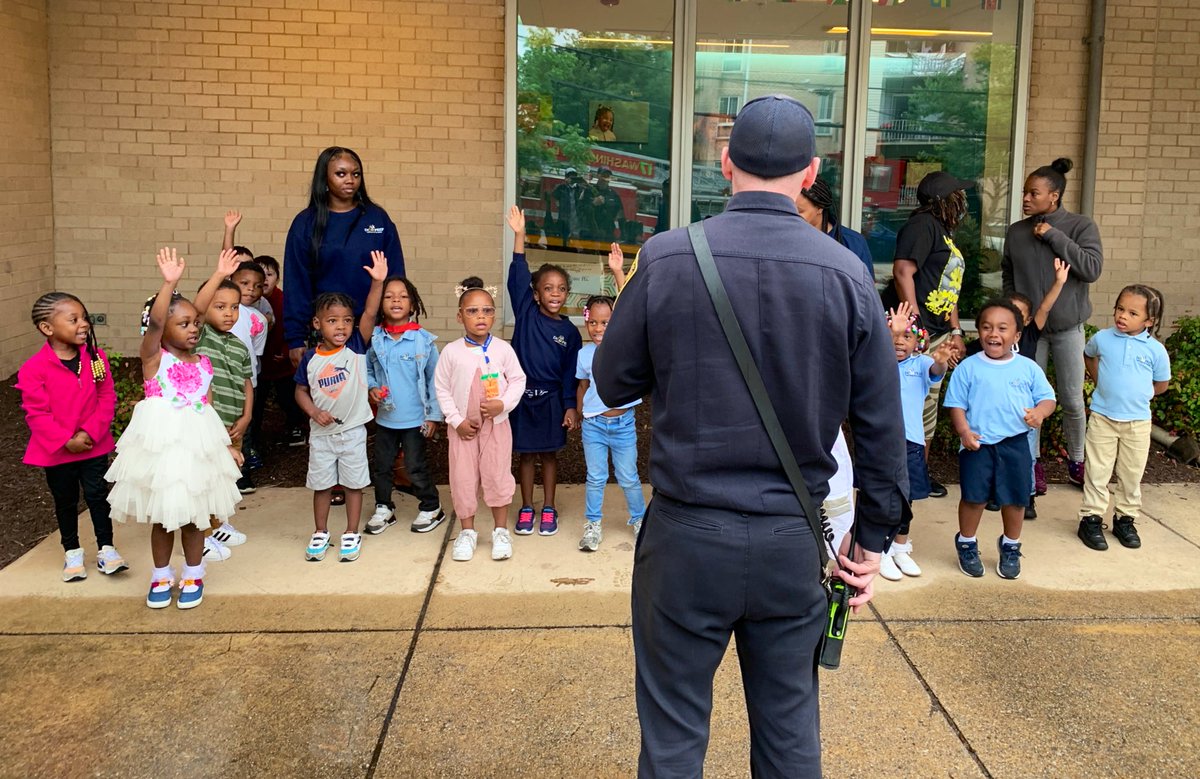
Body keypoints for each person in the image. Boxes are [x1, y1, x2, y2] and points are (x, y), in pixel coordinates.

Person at [594, 94, 905, 777]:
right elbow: (883, 426)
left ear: (725, 162)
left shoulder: (668, 257)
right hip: (791, 541)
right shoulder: (849, 274)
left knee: (673, 738)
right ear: (811, 171)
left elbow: (611, 382)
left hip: (685, 537)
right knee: (790, 732)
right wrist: (873, 538)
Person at [106, 248, 244, 610]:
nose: (194, 328)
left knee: (195, 519)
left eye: (195, 323)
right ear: (162, 328)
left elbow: (208, 408)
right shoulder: (155, 358)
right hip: (164, 453)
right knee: (164, 519)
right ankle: (161, 575)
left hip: (197, 452)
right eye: (183, 324)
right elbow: (156, 322)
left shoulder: (204, 363)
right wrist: (170, 283)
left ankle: (194, 573)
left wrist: (224, 446)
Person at [1002, 158, 1104, 488]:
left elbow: (1091, 268)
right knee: (1030, 403)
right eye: (1024, 193)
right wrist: (1014, 311)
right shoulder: (1016, 232)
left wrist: (1054, 235)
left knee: (1072, 400)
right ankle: (1032, 465)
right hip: (1031, 333)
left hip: (1067, 329)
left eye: (1034, 193)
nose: (1026, 199)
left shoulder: (1080, 226)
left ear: (1054, 196)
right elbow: (1008, 274)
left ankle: (1077, 460)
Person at [944, 299, 1056, 581]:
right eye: (986, 327)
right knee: (974, 497)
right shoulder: (968, 367)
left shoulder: (1027, 368)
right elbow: (955, 404)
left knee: (1016, 499)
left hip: (1016, 443)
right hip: (977, 443)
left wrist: (1040, 413)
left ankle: (1010, 545)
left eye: (1002, 328)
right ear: (978, 332)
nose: (994, 334)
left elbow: (1048, 398)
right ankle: (967, 542)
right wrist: (964, 432)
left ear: (1017, 335)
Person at [18, 292, 127, 582]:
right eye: (73, 319)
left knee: (97, 495)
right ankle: (72, 551)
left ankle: (107, 548)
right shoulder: (34, 369)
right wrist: (66, 439)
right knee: (65, 500)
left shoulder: (95, 359)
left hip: (93, 445)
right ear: (47, 328)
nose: (84, 324)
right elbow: (36, 412)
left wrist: (89, 432)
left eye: (85, 318)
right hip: (58, 450)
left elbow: (106, 396)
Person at [880, 170, 973, 498]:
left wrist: (956, 330)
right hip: (917, 332)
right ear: (946, 200)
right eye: (959, 195)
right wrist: (915, 325)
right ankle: (902, 473)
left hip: (937, 330)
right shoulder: (922, 226)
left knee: (927, 403)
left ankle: (918, 471)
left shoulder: (944, 232)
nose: (964, 201)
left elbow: (949, 288)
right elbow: (904, 271)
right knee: (911, 401)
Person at [293, 262, 384, 563]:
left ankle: (351, 532)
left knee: (354, 484)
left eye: (347, 320)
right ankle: (320, 531)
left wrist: (377, 283)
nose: (341, 326)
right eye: (332, 320)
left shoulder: (357, 346)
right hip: (321, 436)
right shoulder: (310, 358)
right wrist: (313, 412)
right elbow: (300, 391)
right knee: (321, 486)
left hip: (352, 432)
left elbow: (370, 313)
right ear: (318, 324)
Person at [283, 147, 405, 369]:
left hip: (374, 328)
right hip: (325, 332)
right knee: (327, 400)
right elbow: (296, 282)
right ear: (325, 179)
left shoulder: (378, 218)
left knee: (376, 398)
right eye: (341, 174)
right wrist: (295, 337)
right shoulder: (305, 223)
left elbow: (396, 275)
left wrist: (397, 323)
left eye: (356, 174)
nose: (350, 180)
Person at [434, 277, 527, 562]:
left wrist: (502, 404)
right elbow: (442, 388)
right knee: (463, 478)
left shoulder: (502, 349)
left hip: (496, 427)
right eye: (473, 311)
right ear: (460, 316)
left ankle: (500, 530)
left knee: (497, 474)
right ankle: (468, 531)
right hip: (464, 431)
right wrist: (456, 420)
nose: (481, 317)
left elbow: (517, 380)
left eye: (487, 310)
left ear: (494, 315)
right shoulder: (451, 352)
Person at [968, 258, 1070, 517]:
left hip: (1024, 412)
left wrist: (1058, 282)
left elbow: (1045, 308)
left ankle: (1027, 496)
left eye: (1019, 315)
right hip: (993, 415)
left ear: (1024, 323)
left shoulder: (1031, 334)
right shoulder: (987, 345)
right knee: (992, 456)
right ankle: (995, 494)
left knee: (1026, 456)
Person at [505, 205, 582, 537]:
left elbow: (569, 375)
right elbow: (518, 275)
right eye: (548, 288)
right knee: (524, 456)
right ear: (536, 294)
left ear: (567, 294)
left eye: (561, 289)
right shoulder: (526, 312)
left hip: (551, 399)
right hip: (522, 397)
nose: (555, 293)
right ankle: (526, 506)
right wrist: (519, 236)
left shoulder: (571, 332)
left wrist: (570, 405)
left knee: (549, 456)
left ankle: (548, 507)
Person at [1076, 285, 1170, 552]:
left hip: (1137, 422)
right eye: (1120, 309)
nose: (1123, 316)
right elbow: (1089, 354)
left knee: (1131, 473)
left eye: (1132, 313)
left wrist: (1141, 395)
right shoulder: (1104, 338)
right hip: (1103, 417)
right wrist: (1099, 381)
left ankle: (1125, 519)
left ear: (1149, 321)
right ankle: (1091, 518)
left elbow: (1161, 384)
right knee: (1097, 470)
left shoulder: (1155, 350)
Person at [364, 275, 447, 536]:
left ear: (413, 305)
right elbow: (366, 369)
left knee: (414, 465)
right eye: (388, 296)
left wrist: (434, 416)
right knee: (382, 465)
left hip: (416, 420)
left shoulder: (423, 341)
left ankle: (432, 506)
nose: (396, 300)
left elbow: (435, 381)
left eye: (402, 296)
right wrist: (371, 387)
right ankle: (383, 507)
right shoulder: (377, 340)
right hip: (386, 418)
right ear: (380, 304)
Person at [879, 301, 953, 581]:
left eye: (907, 336)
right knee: (881, 498)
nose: (899, 341)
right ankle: (879, 550)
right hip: (881, 442)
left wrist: (941, 359)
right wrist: (888, 334)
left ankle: (900, 547)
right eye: (893, 334)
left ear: (919, 342)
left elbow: (935, 371)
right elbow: (875, 354)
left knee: (906, 500)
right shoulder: (879, 360)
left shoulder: (921, 363)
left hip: (910, 443)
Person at [191, 250, 255, 559]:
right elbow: (197, 309)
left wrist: (247, 416)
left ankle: (217, 524)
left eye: (234, 307)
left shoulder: (240, 345)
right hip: (207, 425)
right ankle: (200, 536)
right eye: (220, 307)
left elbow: (247, 382)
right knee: (203, 479)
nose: (229, 313)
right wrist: (219, 274)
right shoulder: (200, 336)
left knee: (223, 479)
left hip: (233, 424)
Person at [575, 293, 645, 552]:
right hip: (594, 426)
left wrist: (617, 272)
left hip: (624, 425)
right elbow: (583, 385)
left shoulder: (627, 349)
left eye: (605, 322)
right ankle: (593, 526)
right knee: (595, 477)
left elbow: (632, 307)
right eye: (593, 322)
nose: (598, 328)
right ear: (586, 323)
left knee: (629, 477)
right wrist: (580, 412)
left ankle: (640, 521)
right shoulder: (584, 354)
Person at [795, 176, 873, 273]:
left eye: (799, 211)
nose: (790, 215)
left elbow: (866, 285)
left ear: (820, 208)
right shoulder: (782, 237)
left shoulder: (852, 242)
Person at [550, 169, 589, 247]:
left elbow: (587, 198)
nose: (572, 177)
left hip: (577, 221)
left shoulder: (580, 188)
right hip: (564, 221)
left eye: (574, 176)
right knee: (563, 243)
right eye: (569, 176)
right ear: (566, 177)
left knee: (577, 243)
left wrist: (584, 183)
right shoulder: (562, 188)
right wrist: (564, 183)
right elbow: (553, 194)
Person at [587, 167, 627, 242]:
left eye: (608, 176)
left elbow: (620, 215)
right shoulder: (589, 191)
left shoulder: (614, 195)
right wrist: (593, 204)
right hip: (590, 233)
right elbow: (580, 210)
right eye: (603, 175)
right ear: (598, 175)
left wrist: (623, 234)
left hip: (608, 234)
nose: (605, 178)